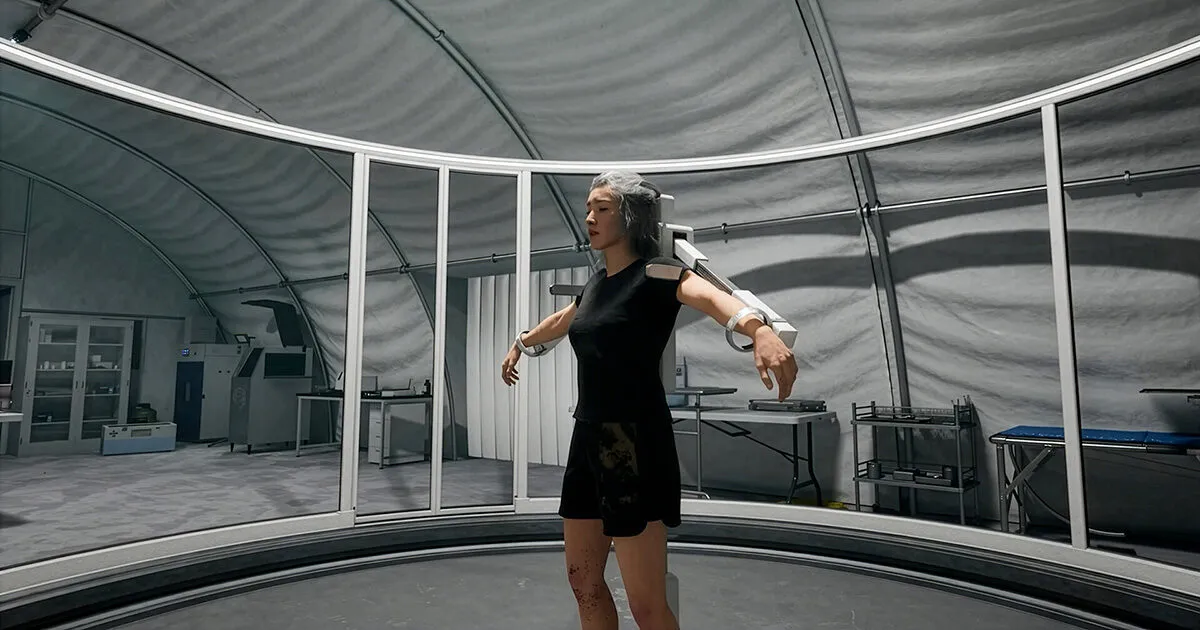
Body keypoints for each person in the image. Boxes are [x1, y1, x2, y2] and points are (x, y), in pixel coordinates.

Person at [500, 171, 797, 630]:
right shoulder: (597, 283)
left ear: (630, 216)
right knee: (582, 581)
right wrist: (521, 343)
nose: (589, 217)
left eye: (602, 208)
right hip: (588, 436)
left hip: (634, 442)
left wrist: (759, 330)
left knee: (646, 604)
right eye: (588, 208)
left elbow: (713, 298)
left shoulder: (657, 274)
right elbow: (563, 320)